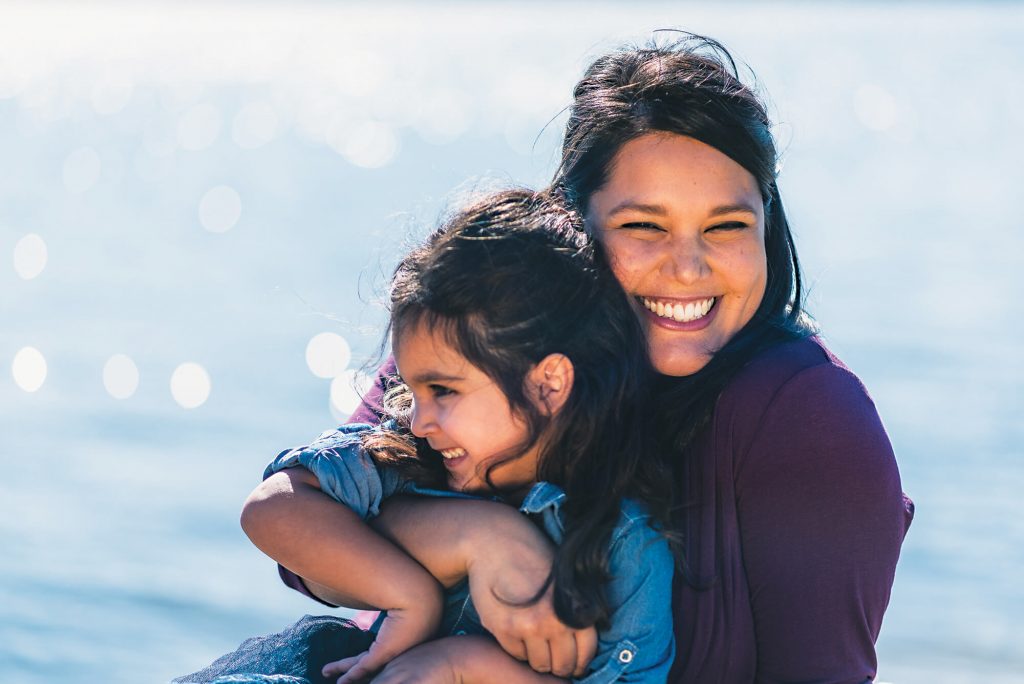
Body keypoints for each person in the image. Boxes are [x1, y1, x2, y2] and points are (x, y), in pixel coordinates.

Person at [220, 34, 915, 683]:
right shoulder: (487, 336)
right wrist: (480, 538)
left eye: (727, 226)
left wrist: (471, 659)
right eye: (644, 225)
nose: (688, 267)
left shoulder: (810, 418)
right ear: (573, 220)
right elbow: (302, 551)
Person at [182, 189, 676, 684]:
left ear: (548, 384)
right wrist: (410, 597)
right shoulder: (412, 460)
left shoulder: (626, 543)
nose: (419, 421)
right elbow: (270, 509)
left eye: (443, 390)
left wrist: (459, 666)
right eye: (413, 392)